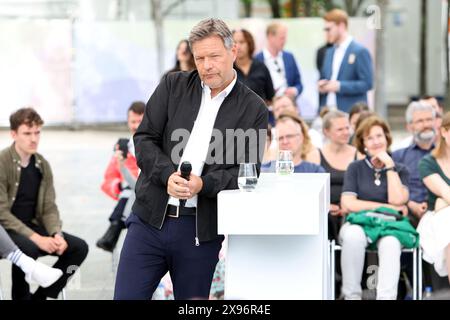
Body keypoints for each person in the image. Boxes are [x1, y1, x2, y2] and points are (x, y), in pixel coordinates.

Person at [113, 18, 268, 300]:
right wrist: (165, 175)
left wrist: (202, 184)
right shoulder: (173, 85)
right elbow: (144, 138)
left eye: (214, 56)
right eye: (200, 58)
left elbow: (248, 172)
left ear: (233, 52)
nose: (206, 65)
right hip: (148, 221)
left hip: (200, 231)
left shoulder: (253, 108)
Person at [0, 107, 88, 300]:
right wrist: (37, 239)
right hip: (7, 230)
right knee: (28, 248)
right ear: (13, 134)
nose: (33, 138)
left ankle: (40, 297)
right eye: (27, 133)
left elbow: (49, 208)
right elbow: (2, 213)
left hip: (33, 226)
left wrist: (56, 233)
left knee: (78, 247)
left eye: (37, 132)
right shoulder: (2, 162)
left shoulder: (42, 164)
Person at [340, 116, 411, 300]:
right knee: (352, 235)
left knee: (391, 243)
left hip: (390, 226)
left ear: (387, 138)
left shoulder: (400, 169)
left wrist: (389, 166)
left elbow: (398, 199)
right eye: (369, 138)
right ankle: (351, 296)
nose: (376, 141)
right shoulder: (355, 167)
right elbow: (348, 203)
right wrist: (384, 206)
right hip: (360, 223)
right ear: (363, 143)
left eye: (379, 136)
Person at [96, 102, 144, 252]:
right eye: (133, 122)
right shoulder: (122, 148)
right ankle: (116, 228)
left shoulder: (160, 145)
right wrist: (119, 187)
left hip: (151, 198)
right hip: (130, 202)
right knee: (129, 190)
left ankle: (114, 228)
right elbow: (107, 181)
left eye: (140, 121)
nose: (136, 126)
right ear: (128, 122)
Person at [309, 110, 359, 240]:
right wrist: (324, 206)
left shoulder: (358, 155)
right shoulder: (315, 155)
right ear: (326, 131)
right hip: (324, 210)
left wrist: (347, 207)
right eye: (340, 129)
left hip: (351, 209)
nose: (346, 132)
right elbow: (310, 188)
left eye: (347, 128)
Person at [318, 9, 373, 113]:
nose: (326, 33)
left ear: (341, 26)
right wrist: (323, 85)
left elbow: (367, 83)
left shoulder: (359, 51)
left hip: (351, 112)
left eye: (329, 29)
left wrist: (339, 86)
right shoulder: (329, 52)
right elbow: (326, 77)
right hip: (328, 112)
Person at [392, 101, 437, 227]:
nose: (426, 125)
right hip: (407, 214)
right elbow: (392, 189)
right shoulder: (398, 156)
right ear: (409, 127)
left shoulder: (445, 155)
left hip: (441, 212)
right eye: (420, 121)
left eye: (429, 119)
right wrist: (412, 205)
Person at [418, 112, 450, 284]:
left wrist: (443, 203)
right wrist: (443, 201)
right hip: (436, 220)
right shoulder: (428, 163)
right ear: (444, 132)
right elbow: (446, 193)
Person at [255, 22, 303, 99]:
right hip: (267, 107)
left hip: (288, 105)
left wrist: (294, 90)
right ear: (270, 37)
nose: (285, 41)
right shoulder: (257, 59)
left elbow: (299, 84)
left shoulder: (289, 57)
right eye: (282, 38)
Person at [232, 29, 274, 103]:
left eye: (242, 42)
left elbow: (270, 97)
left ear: (249, 44)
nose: (238, 46)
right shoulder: (228, 70)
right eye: (234, 42)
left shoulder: (261, 67)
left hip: (260, 113)